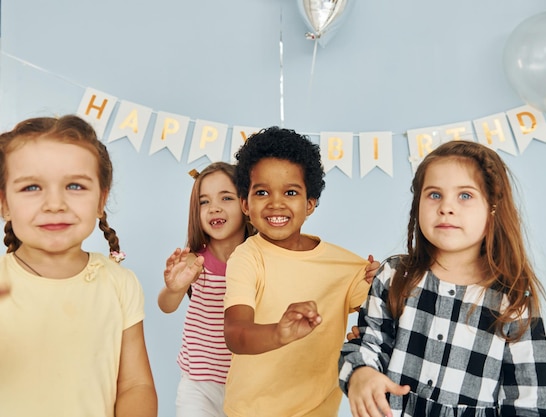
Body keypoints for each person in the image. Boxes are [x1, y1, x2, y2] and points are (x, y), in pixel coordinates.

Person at [339, 140, 546, 417]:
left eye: (465, 195)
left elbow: (532, 402)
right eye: (434, 195)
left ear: (493, 208)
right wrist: (360, 373)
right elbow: (368, 342)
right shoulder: (395, 276)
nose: (446, 207)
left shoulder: (511, 300)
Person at [0, 115, 157, 417]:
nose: (55, 203)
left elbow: (135, 385)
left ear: (101, 199)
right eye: (32, 188)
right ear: (5, 203)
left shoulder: (119, 283)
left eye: (74, 185)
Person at [222, 126, 376, 417]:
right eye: (262, 192)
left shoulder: (346, 266)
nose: (276, 202)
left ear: (310, 204)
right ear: (245, 204)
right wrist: (279, 333)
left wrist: (384, 280)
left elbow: (389, 313)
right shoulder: (247, 258)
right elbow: (235, 332)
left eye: (290, 192)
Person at [157, 162, 255, 417]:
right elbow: (166, 306)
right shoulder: (194, 262)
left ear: (245, 205)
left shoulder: (260, 262)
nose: (214, 208)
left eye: (226, 197)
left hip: (246, 383)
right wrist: (173, 288)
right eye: (204, 202)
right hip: (198, 383)